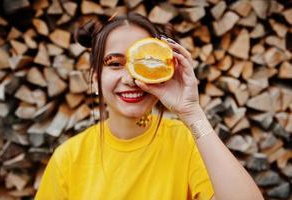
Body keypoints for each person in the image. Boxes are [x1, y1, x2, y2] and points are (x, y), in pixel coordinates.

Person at [35, 13, 264, 200]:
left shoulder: (186, 143)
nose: (131, 78)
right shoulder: (69, 157)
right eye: (115, 64)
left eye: (146, 63)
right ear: (95, 78)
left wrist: (192, 113)